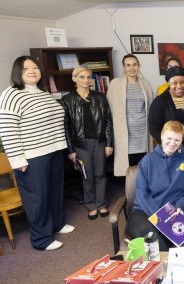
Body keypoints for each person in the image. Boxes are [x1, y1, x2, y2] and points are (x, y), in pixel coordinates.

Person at [0, 56, 74, 251]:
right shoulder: (11, 94)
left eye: (35, 67)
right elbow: (7, 129)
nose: (32, 71)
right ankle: (41, 239)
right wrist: (17, 160)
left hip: (53, 150)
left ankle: (57, 223)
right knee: (37, 198)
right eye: (26, 68)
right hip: (32, 156)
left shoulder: (42, 92)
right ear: (18, 72)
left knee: (55, 191)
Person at [127, 121, 184, 250]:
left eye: (177, 140)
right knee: (154, 241)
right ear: (161, 136)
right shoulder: (147, 161)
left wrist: (181, 206)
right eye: (169, 138)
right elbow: (142, 194)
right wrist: (160, 218)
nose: (172, 143)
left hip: (174, 213)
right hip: (144, 212)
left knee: (180, 243)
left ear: (182, 140)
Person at [61, 66, 114, 220]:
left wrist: (109, 143)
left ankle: (101, 203)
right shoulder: (67, 100)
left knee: (100, 174)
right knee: (87, 175)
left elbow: (108, 122)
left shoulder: (100, 97)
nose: (86, 80)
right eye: (82, 77)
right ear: (74, 79)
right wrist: (71, 150)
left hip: (100, 142)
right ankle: (91, 205)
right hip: (80, 145)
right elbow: (65, 127)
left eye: (88, 77)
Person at [107, 54, 154, 176]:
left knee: (144, 168)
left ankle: (143, 194)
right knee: (129, 170)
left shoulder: (146, 84)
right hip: (124, 134)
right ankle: (130, 194)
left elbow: (151, 108)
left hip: (142, 133)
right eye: (128, 65)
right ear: (124, 67)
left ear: (139, 66)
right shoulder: (115, 84)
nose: (131, 68)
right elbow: (109, 109)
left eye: (134, 64)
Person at [148, 66, 184, 157]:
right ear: (168, 83)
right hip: (171, 152)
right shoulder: (160, 102)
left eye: (182, 82)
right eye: (174, 83)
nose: (179, 86)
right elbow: (154, 128)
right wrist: (170, 145)